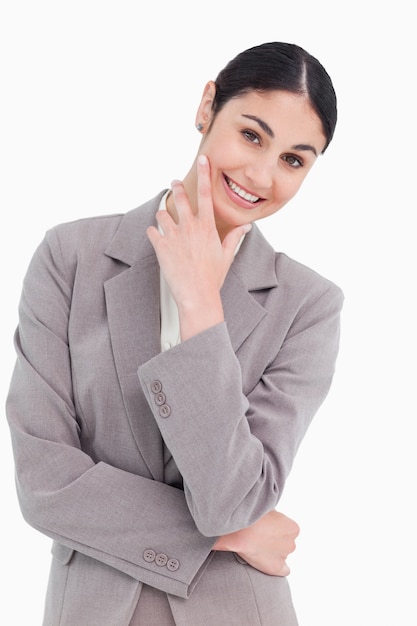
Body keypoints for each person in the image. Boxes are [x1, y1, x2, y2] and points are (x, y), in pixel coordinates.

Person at [6, 41, 343, 625]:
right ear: (207, 106)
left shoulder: (307, 306)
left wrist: (200, 308)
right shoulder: (71, 258)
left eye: (294, 160)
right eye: (252, 135)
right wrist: (231, 538)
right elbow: (45, 484)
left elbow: (232, 500)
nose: (261, 174)